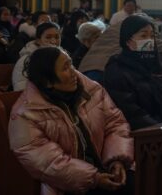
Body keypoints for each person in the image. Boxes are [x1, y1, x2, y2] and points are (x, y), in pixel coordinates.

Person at [8, 47, 134, 195]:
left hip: (106, 166)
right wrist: (94, 178)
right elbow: (49, 163)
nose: (74, 72)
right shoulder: (26, 114)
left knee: (143, 180)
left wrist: (117, 160)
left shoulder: (91, 90)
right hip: (68, 185)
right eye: (65, 68)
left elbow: (115, 124)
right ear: (48, 82)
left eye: (71, 64)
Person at [104, 15, 162, 130]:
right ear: (128, 41)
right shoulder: (117, 70)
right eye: (143, 35)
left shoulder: (157, 66)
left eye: (152, 36)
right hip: (147, 138)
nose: (149, 40)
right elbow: (133, 114)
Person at [12, 22, 61, 91]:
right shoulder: (27, 60)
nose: (53, 41)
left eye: (57, 37)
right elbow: (21, 88)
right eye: (48, 37)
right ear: (38, 41)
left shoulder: (61, 57)